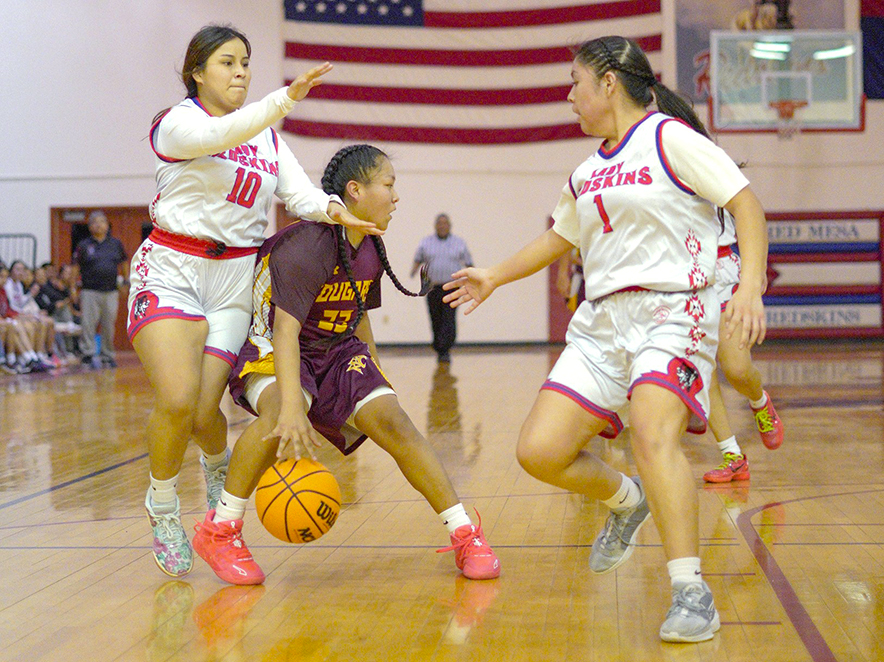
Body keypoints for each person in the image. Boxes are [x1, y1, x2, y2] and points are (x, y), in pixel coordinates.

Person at [442, 36, 768, 643]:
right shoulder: (588, 170)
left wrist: (748, 287)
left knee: (652, 431)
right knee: (538, 451)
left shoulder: (671, 138)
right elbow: (558, 239)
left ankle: (690, 591)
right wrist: (494, 275)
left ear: (610, 82)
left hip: (673, 310)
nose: (570, 96)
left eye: (575, 83)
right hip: (602, 324)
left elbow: (746, 205)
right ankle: (628, 499)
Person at [129, 24, 379, 579]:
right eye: (227, 63)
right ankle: (163, 505)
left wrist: (339, 212)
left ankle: (218, 471)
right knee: (176, 399)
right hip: (173, 269)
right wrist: (285, 99)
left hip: (234, 279)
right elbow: (219, 136)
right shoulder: (177, 123)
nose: (240, 72)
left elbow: (300, 196)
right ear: (197, 71)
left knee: (203, 412)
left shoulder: (267, 137)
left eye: (246, 62)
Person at [191, 144, 500, 585]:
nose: (396, 197)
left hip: (336, 349)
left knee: (395, 423)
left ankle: (465, 534)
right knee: (283, 409)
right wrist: (295, 410)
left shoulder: (370, 244)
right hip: (273, 342)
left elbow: (360, 313)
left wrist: (376, 373)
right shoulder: (306, 245)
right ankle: (219, 530)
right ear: (355, 190)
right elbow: (284, 332)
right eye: (389, 185)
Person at [702, 212, 784, 483]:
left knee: (737, 370)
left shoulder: (720, 172)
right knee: (703, 371)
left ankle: (759, 401)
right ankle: (732, 455)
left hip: (721, 271)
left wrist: (756, 272)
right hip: (679, 276)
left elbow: (754, 218)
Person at [411, 213, 473, 363]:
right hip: (433, 288)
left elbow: (469, 263)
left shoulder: (459, 243)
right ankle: (438, 347)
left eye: (445, 223)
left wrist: (475, 278)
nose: (442, 226)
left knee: (449, 319)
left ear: (449, 226)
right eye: (439, 223)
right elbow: (418, 260)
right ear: (435, 226)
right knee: (435, 318)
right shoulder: (426, 242)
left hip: (452, 287)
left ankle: (446, 348)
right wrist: (412, 273)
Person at [74, 211, 129, 369]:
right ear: (90, 226)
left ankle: (107, 355)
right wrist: (73, 288)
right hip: (89, 291)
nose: (98, 224)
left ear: (107, 225)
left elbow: (124, 262)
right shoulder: (84, 245)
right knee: (88, 324)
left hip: (111, 291)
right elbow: (76, 267)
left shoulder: (115, 244)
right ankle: (87, 354)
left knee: (108, 325)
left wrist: (126, 281)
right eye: (94, 222)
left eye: (101, 221)